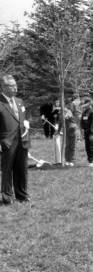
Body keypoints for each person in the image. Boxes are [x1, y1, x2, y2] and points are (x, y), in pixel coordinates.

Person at [0, 75, 30, 204]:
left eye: (15, 85)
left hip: (22, 141)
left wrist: (27, 122)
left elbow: (23, 117)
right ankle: (7, 197)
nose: (15, 88)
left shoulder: (19, 101)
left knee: (22, 169)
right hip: (6, 142)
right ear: (3, 87)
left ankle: (22, 196)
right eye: (12, 86)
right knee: (7, 170)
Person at [80, 96, 93, 166]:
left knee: (92, 146)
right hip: (86, 131)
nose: (83, 105)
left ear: (88, 104)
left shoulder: (92, 112)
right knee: (87, 146)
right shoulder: (85, 111)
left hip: (92, 132)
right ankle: (90, 160)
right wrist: (82, 129)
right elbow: (82, 121)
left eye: (85, 103)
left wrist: (92, 133)